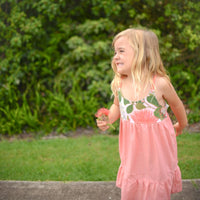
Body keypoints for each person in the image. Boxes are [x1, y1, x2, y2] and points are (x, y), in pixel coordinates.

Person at [96, 28, 188, 200]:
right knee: (134, 183)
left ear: (142, 53)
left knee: (156, 184)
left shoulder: (159, 84)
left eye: (121, 51)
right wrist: (107, 119)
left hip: (157, 150)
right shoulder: (120, 84)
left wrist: (181, 124)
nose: (116, 56)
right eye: (115, 52)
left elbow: (176, 105)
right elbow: (117, 106)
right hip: (132, 150)